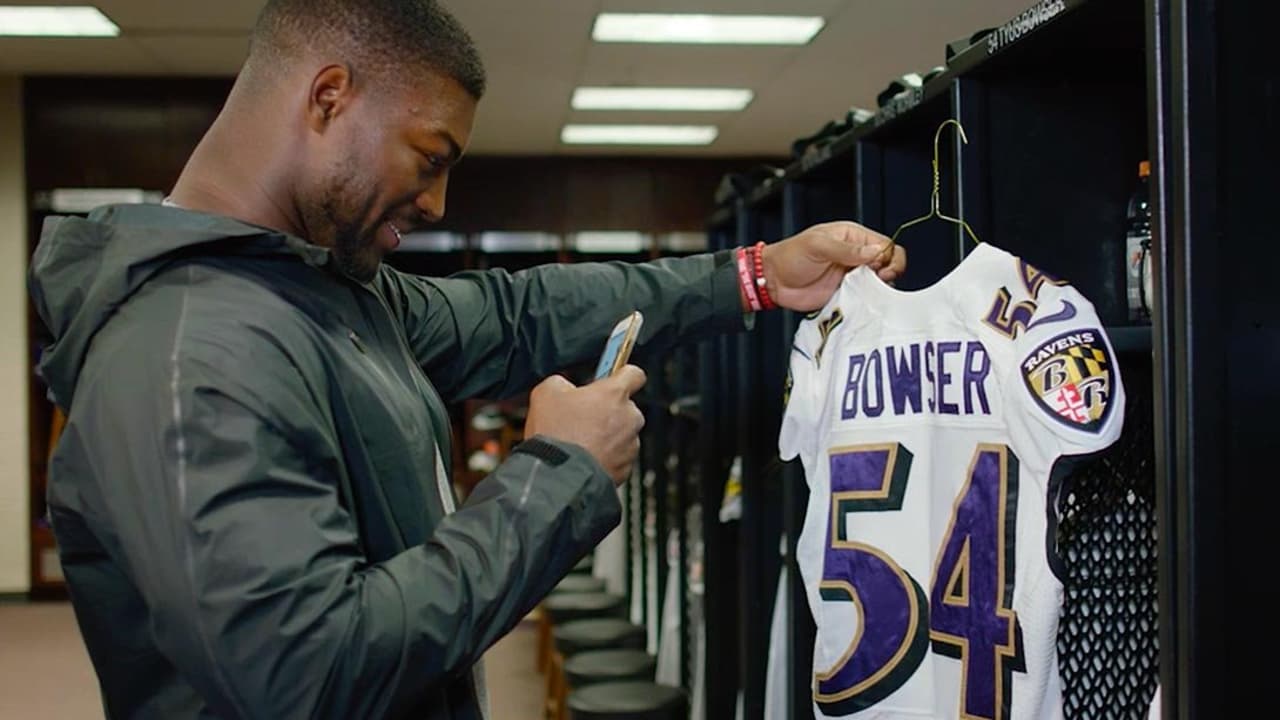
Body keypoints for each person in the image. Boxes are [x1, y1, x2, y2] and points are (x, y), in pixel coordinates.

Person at [26, 1, 906, 719]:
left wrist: (752, 275)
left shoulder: (309, 289)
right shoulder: (191, 350)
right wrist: (557, 476)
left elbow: (514, 314)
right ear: (328, 97)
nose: (439, 200)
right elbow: (304, 676)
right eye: (429, 156)